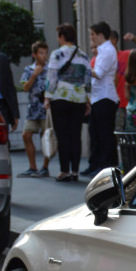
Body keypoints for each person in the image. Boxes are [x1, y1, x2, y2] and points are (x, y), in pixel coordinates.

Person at [45, 23, 92, 182]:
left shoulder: (57, 54)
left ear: (62, 37)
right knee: (75, 134)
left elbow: (51, 77)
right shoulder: (84, 55)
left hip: (60, 97)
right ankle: (75, 170)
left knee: (63, 135)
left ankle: (64, 170)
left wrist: (47, 96)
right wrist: (87, 98)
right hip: (78, 98)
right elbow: (87, 79)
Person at [83, 21, 119, 175]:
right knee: (95, 132)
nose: (91, 37)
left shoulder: (107, 50)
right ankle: (95, 164)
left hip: (105, 96)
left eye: (92, 34)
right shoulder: (103, 50)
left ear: (100, 35)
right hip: (99, 96)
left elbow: (98, 73)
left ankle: (106, 166)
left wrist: (83, 67)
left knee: (104, 134)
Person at [18, 41, 52, 177]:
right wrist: (35, 74)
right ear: (34, 55)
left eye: (45, 53)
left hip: (46, 108)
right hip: (33, 109)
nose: (44, 56)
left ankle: (45, 167)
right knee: (26, 135)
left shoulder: (50, 69)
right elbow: (25, 88)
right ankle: (32, 166)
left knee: (46, 137)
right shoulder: (29, 69)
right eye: (41, 53)